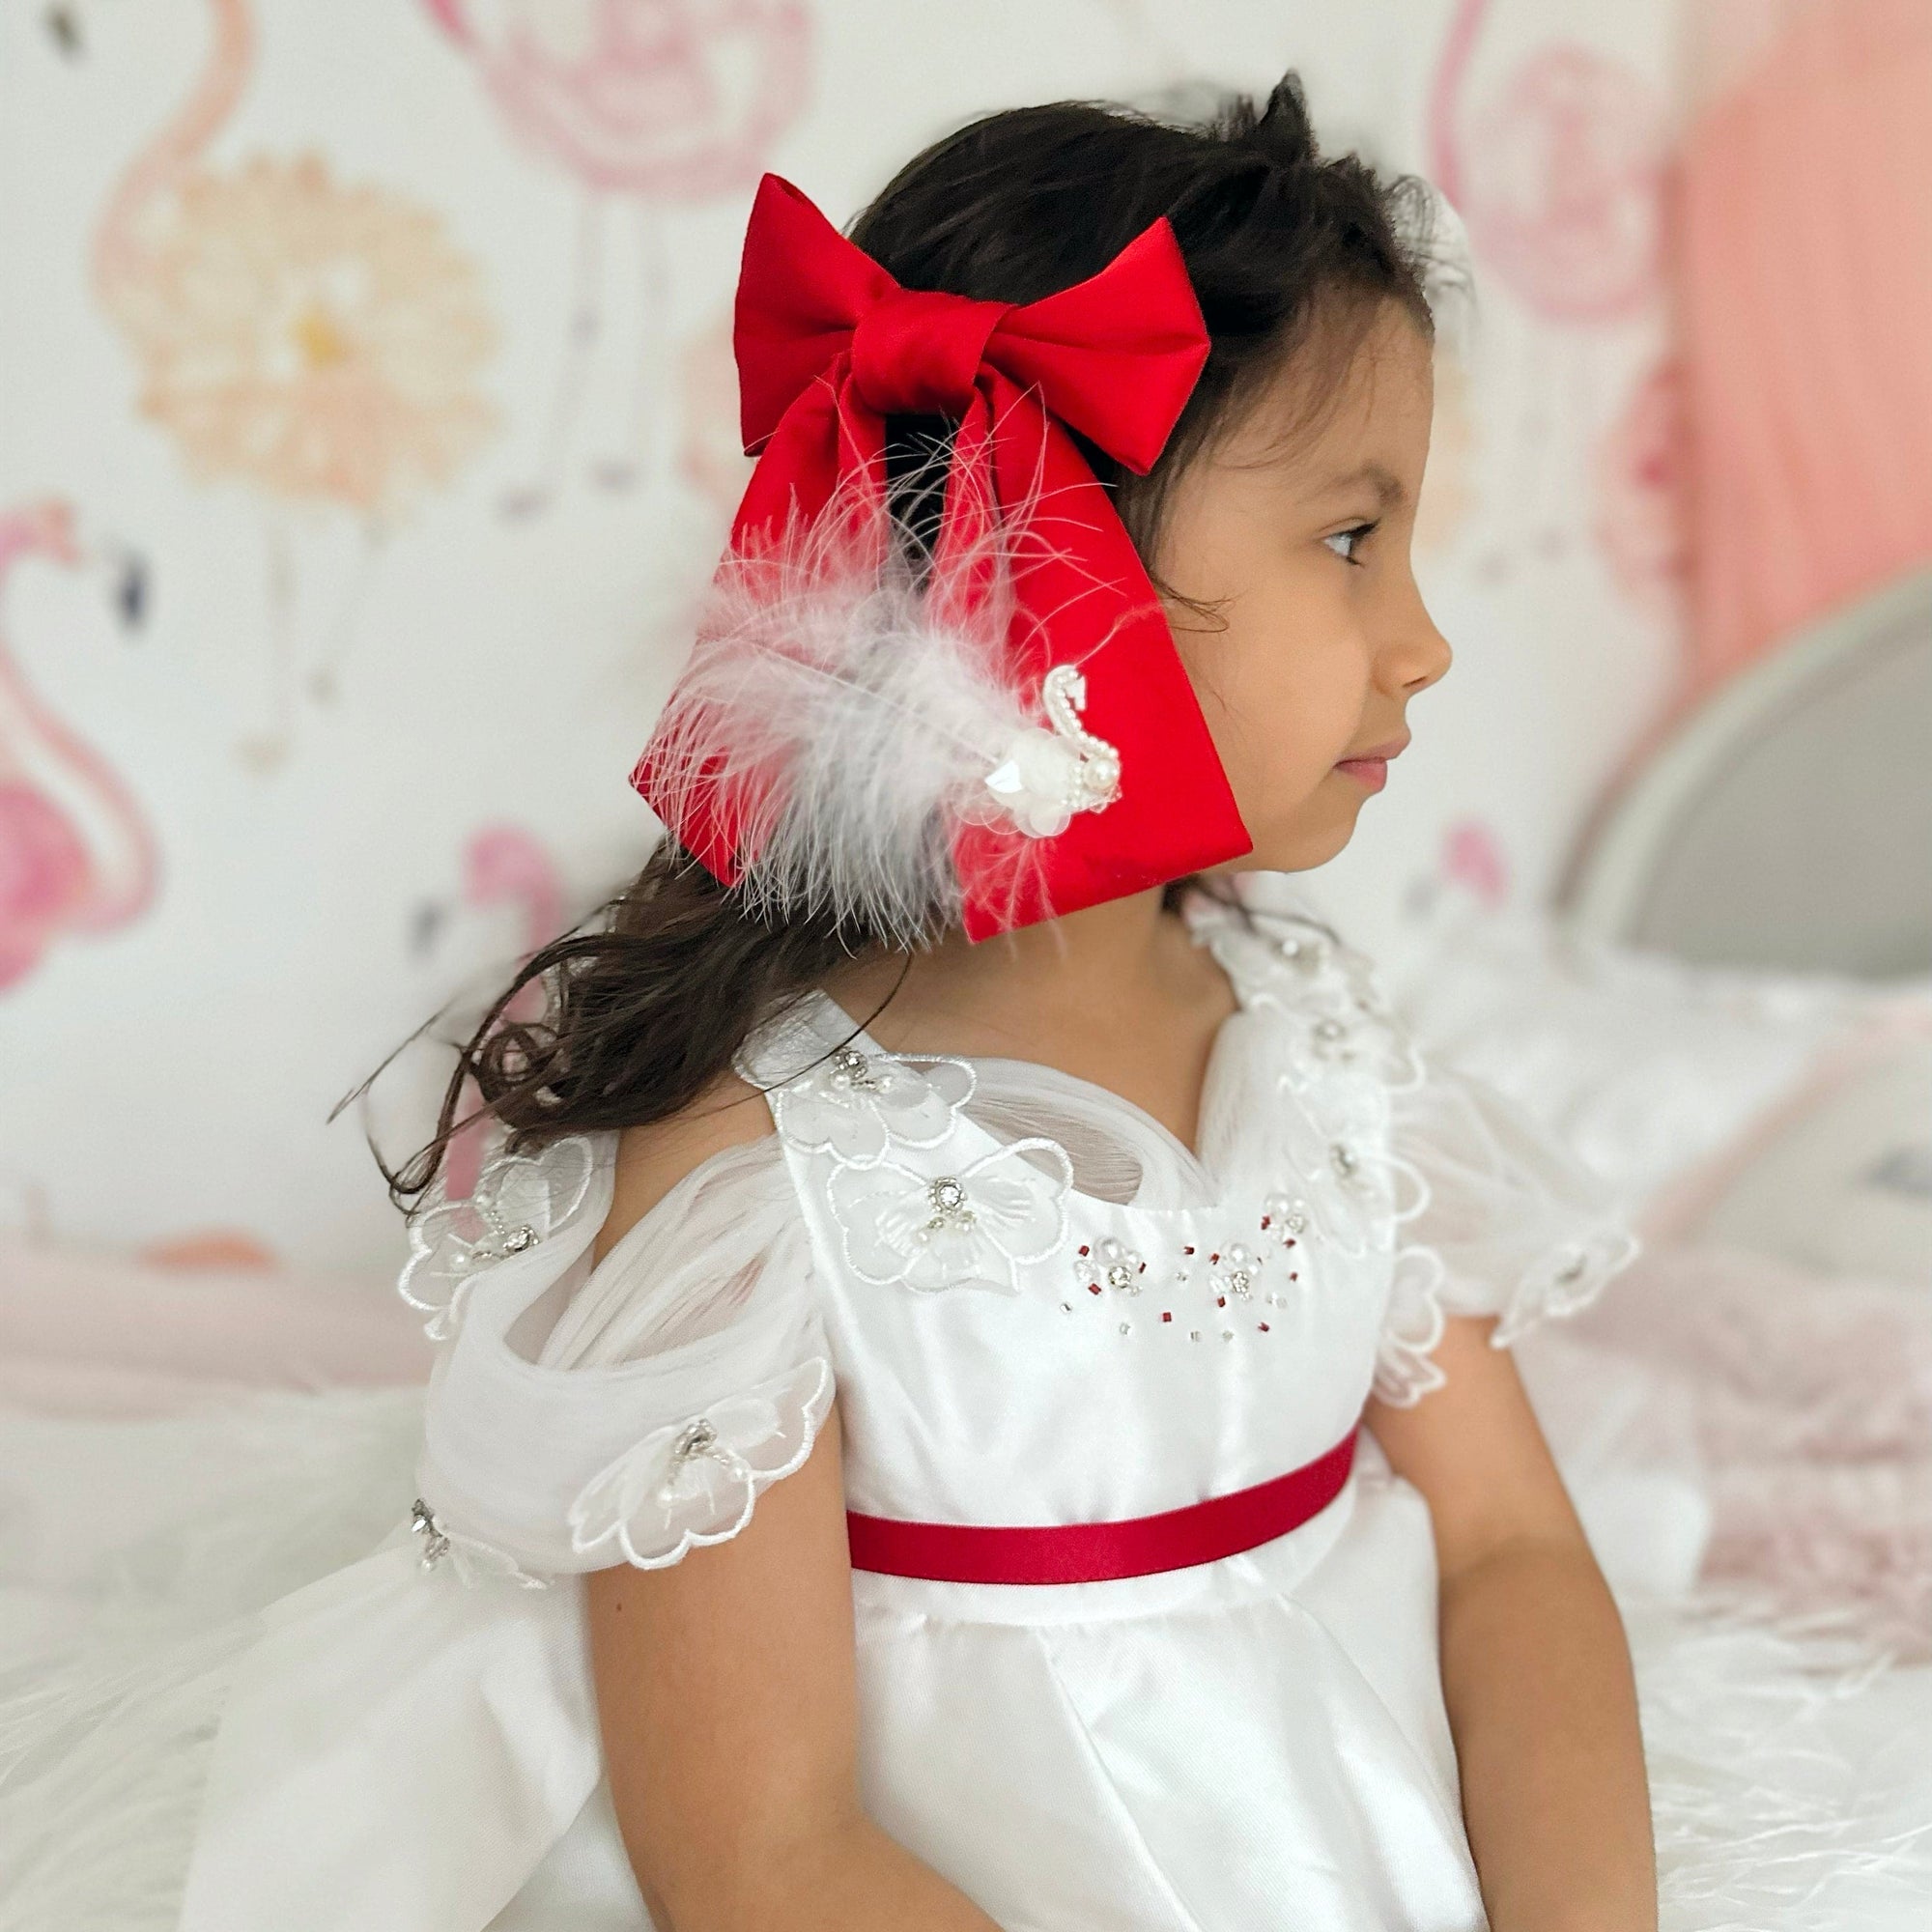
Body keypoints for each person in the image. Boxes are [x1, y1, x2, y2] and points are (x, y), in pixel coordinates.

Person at [4, 71, 1926, 1932]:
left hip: (1318, 1778)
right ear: (1039, 571)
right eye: (1351, 535)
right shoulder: (765, 1184)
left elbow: (1508, 1541)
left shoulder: (1311, 1047)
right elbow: (757, 1857)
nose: (1421, 638)